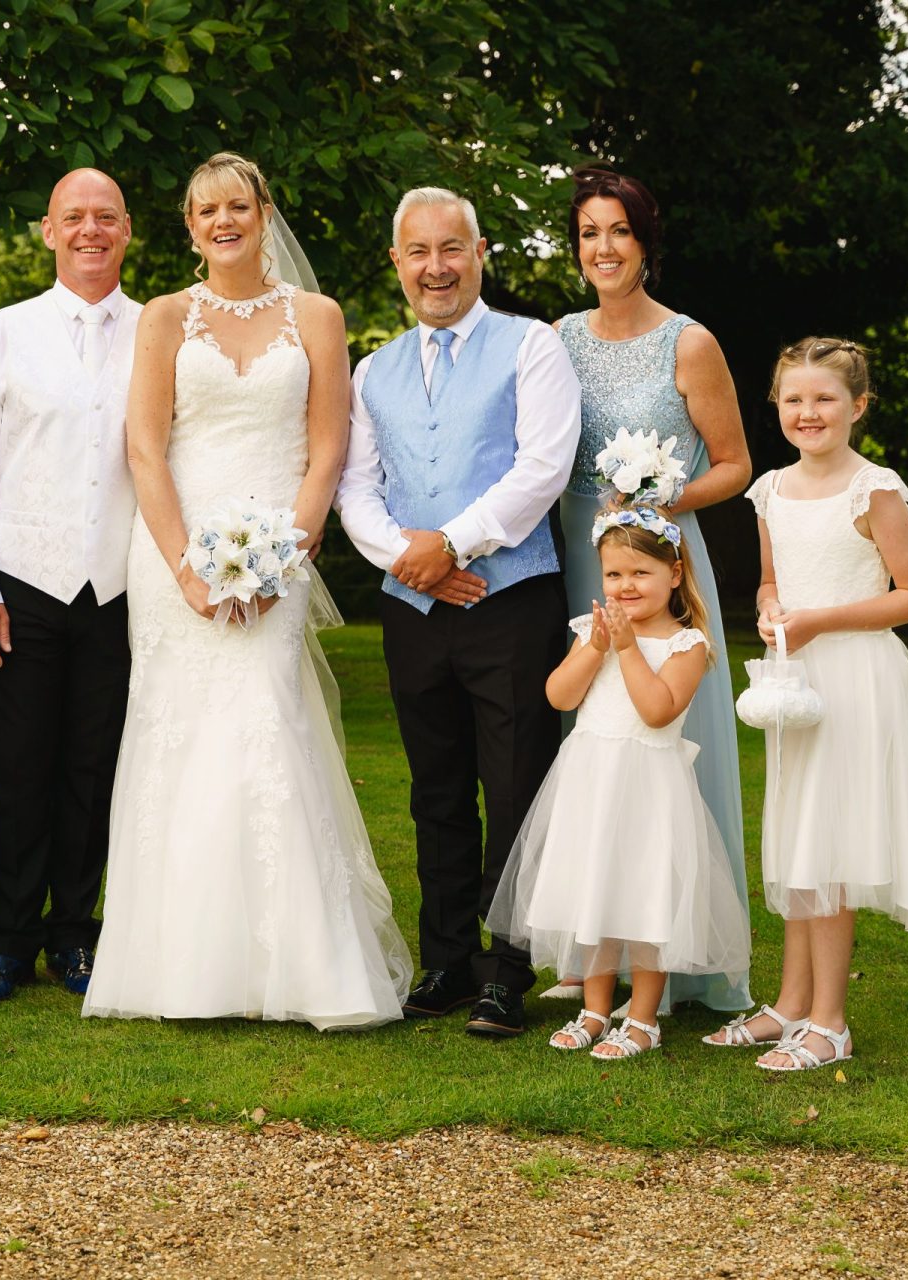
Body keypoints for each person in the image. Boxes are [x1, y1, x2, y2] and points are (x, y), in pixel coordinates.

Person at [81, 152, 412, 1030]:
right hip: (174, 557)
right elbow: (145, 449)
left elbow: (327, 449)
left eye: (237, 205)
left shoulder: (318, 316)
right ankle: (181, 970)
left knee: (268, 723)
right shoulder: (163, 317)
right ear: (190, 227)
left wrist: (282, 561)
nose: (223, 220)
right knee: (178, 736)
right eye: (206, 210)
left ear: (264, 212)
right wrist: (187, 568)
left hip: (279, 553)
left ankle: (302, 969)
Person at [705, 338, 908, 1071]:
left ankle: (830, 1022)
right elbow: (772, 580)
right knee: (798, 841)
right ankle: (789, 1003)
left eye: (825, 399)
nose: (808, 412)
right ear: (776, 406)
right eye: (794, 399)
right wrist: (772, 608)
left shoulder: (873, 489)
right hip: (797, 680)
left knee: (831, 846)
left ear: (858, 406)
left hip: (856, 679)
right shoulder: (770, 490)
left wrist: (820, 620)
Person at [336, 187, 581, 1038]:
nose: (435, 268)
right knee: (435, 787)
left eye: (451, 249)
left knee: (515, 785)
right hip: (412, 608)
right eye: (418, 252)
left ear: (480, 254)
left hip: (511, 601)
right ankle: (445, 958)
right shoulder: (372, 370)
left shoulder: (532, 345)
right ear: (397, 263)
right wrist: (408, 558)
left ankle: (509, 968)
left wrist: (452, 543)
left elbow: (543, 466)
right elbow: (355, 486)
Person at [541, 167, 753, 1015]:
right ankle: (590, 949)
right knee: (592, 739)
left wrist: (661, 498)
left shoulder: (689, 344)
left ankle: (677, 960)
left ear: (645, 242)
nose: (604, 248)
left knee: (666, 743)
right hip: (578, 551)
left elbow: (734, 465)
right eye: (589, 233)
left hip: (663, 555)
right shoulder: (556, 339)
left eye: (619, 231)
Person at [0, 170, 141, 1004]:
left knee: (94, 769)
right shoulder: (4, 333)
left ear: (127, 230)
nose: (90, 230)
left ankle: (76, 936)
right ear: (49, 232)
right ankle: (8, 942)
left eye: (105, 217)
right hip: (21, 583)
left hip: (121, 587)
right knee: (17, 770)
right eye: (74, 217)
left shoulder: (159, 330)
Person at [485, 512, 750, 1061]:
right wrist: (597, 648)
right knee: (596, 891)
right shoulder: (594, 631)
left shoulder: (686, 644)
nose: (625, 586)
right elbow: (559, 696)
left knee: (644, 897)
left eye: (640, 573)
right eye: (613, 574)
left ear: (674, 574)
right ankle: (595, 1009)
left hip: (649, 788)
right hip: (592, 782)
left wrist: (627, 650)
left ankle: (644, 1019)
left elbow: (656, 711)